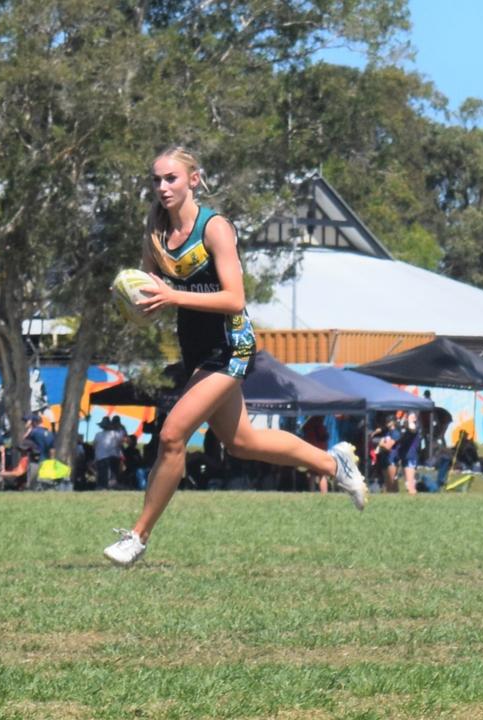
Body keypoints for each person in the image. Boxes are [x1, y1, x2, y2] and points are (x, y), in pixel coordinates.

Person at [103, 146, 367, 567]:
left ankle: (137, 537)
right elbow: (149, 290)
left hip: (232, 344)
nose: (162, 187)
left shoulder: (215, 228)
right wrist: (135, 301)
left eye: (171, 178)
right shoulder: (154, 233)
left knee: (172, 436)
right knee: (242, 441)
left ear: (194, 179)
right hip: (196, 349)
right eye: (155, 180)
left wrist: (173, 295)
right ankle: (334, 464)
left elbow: (235, 297)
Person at [92, 417, 123, 489]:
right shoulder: (116, 434)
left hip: (101, 457)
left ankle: (101, 487)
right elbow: (120, 444)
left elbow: (94, 446)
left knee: (102, 476)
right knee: (113, 475)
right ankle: (112, 486)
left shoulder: (98, 435)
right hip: (114, 457)